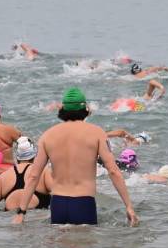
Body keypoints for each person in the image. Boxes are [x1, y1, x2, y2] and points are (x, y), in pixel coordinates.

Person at [12, 88, 139, 226]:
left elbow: (33, 176)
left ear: (63, 110)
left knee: (59, 246)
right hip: (83, 203)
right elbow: (113, 171)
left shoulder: (47, 135)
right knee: (85, 245)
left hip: (58, 204)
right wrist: (128, 206)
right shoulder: (97, 133)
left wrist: (21, 212)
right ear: (85, 109)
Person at [0, 136, 53, 211]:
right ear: (35, 154)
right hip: (36, 221)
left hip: (11, 222)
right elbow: (60, 194)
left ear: (17, 156)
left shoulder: (3, 176)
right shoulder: (43, 172)